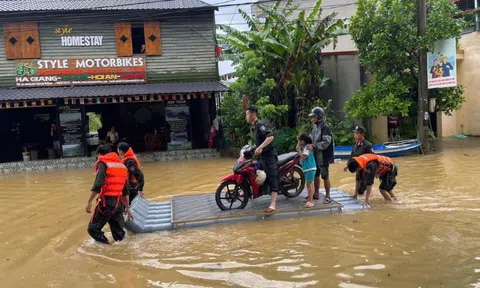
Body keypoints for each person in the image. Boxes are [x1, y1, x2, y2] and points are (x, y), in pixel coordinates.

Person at [86, 145, 132, 244]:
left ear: (99, 154)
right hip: (119, 205)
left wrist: (89, 202)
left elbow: (98, 184)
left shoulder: (103, 163)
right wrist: (127, 208)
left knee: (93, 229)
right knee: (119, 235)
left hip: (107, 203)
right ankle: (123, 251)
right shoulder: (122, 166)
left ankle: (107, 248)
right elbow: (125, 190)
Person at [245, 106, 278, 213]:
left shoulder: (260, 126)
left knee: (273, 178)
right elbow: (259, 141)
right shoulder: (253, 127)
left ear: (253, 114)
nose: (246, 116)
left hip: (269, 157)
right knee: (254, 170)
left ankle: (273, 204)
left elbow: (270, 137)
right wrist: (253, 148)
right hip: (262, 157)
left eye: (247, 114)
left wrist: (260, 147)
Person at [306, 107, 334, 204]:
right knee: (316, 173)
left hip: (323, 154)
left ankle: (328, 196)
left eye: (314, 117)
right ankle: (316, 193)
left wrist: (314, 146)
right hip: (315, 153)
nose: (312, 119)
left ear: (319, 116)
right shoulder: (314, 126)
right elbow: (310, 138)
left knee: (325, 175)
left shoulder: (325, 127)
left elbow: (326, 142)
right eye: (312, 117)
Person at [344, 126, 374, 198]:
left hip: (365, 168)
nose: (355, 135)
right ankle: (355, 194)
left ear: (362, 134)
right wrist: (347, 165)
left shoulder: (367, 145)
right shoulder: (355, 144)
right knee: (357, 179)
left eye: (357, 133)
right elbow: (352, 156)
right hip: (357, 167)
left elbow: (372, 158)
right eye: (355, 133)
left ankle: (366, 196)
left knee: (362, 190)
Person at [296, 133, 316, 208]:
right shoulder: (305, 146)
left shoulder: (307, 147)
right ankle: (311, 199)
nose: (298, 142)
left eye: (299, 141)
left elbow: (303, 157)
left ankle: (310, 201)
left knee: (309, 184)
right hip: (308, 168)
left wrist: (298, 150)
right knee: (310, 184)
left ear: (303, 141)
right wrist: (299, 148)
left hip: (310, 168)